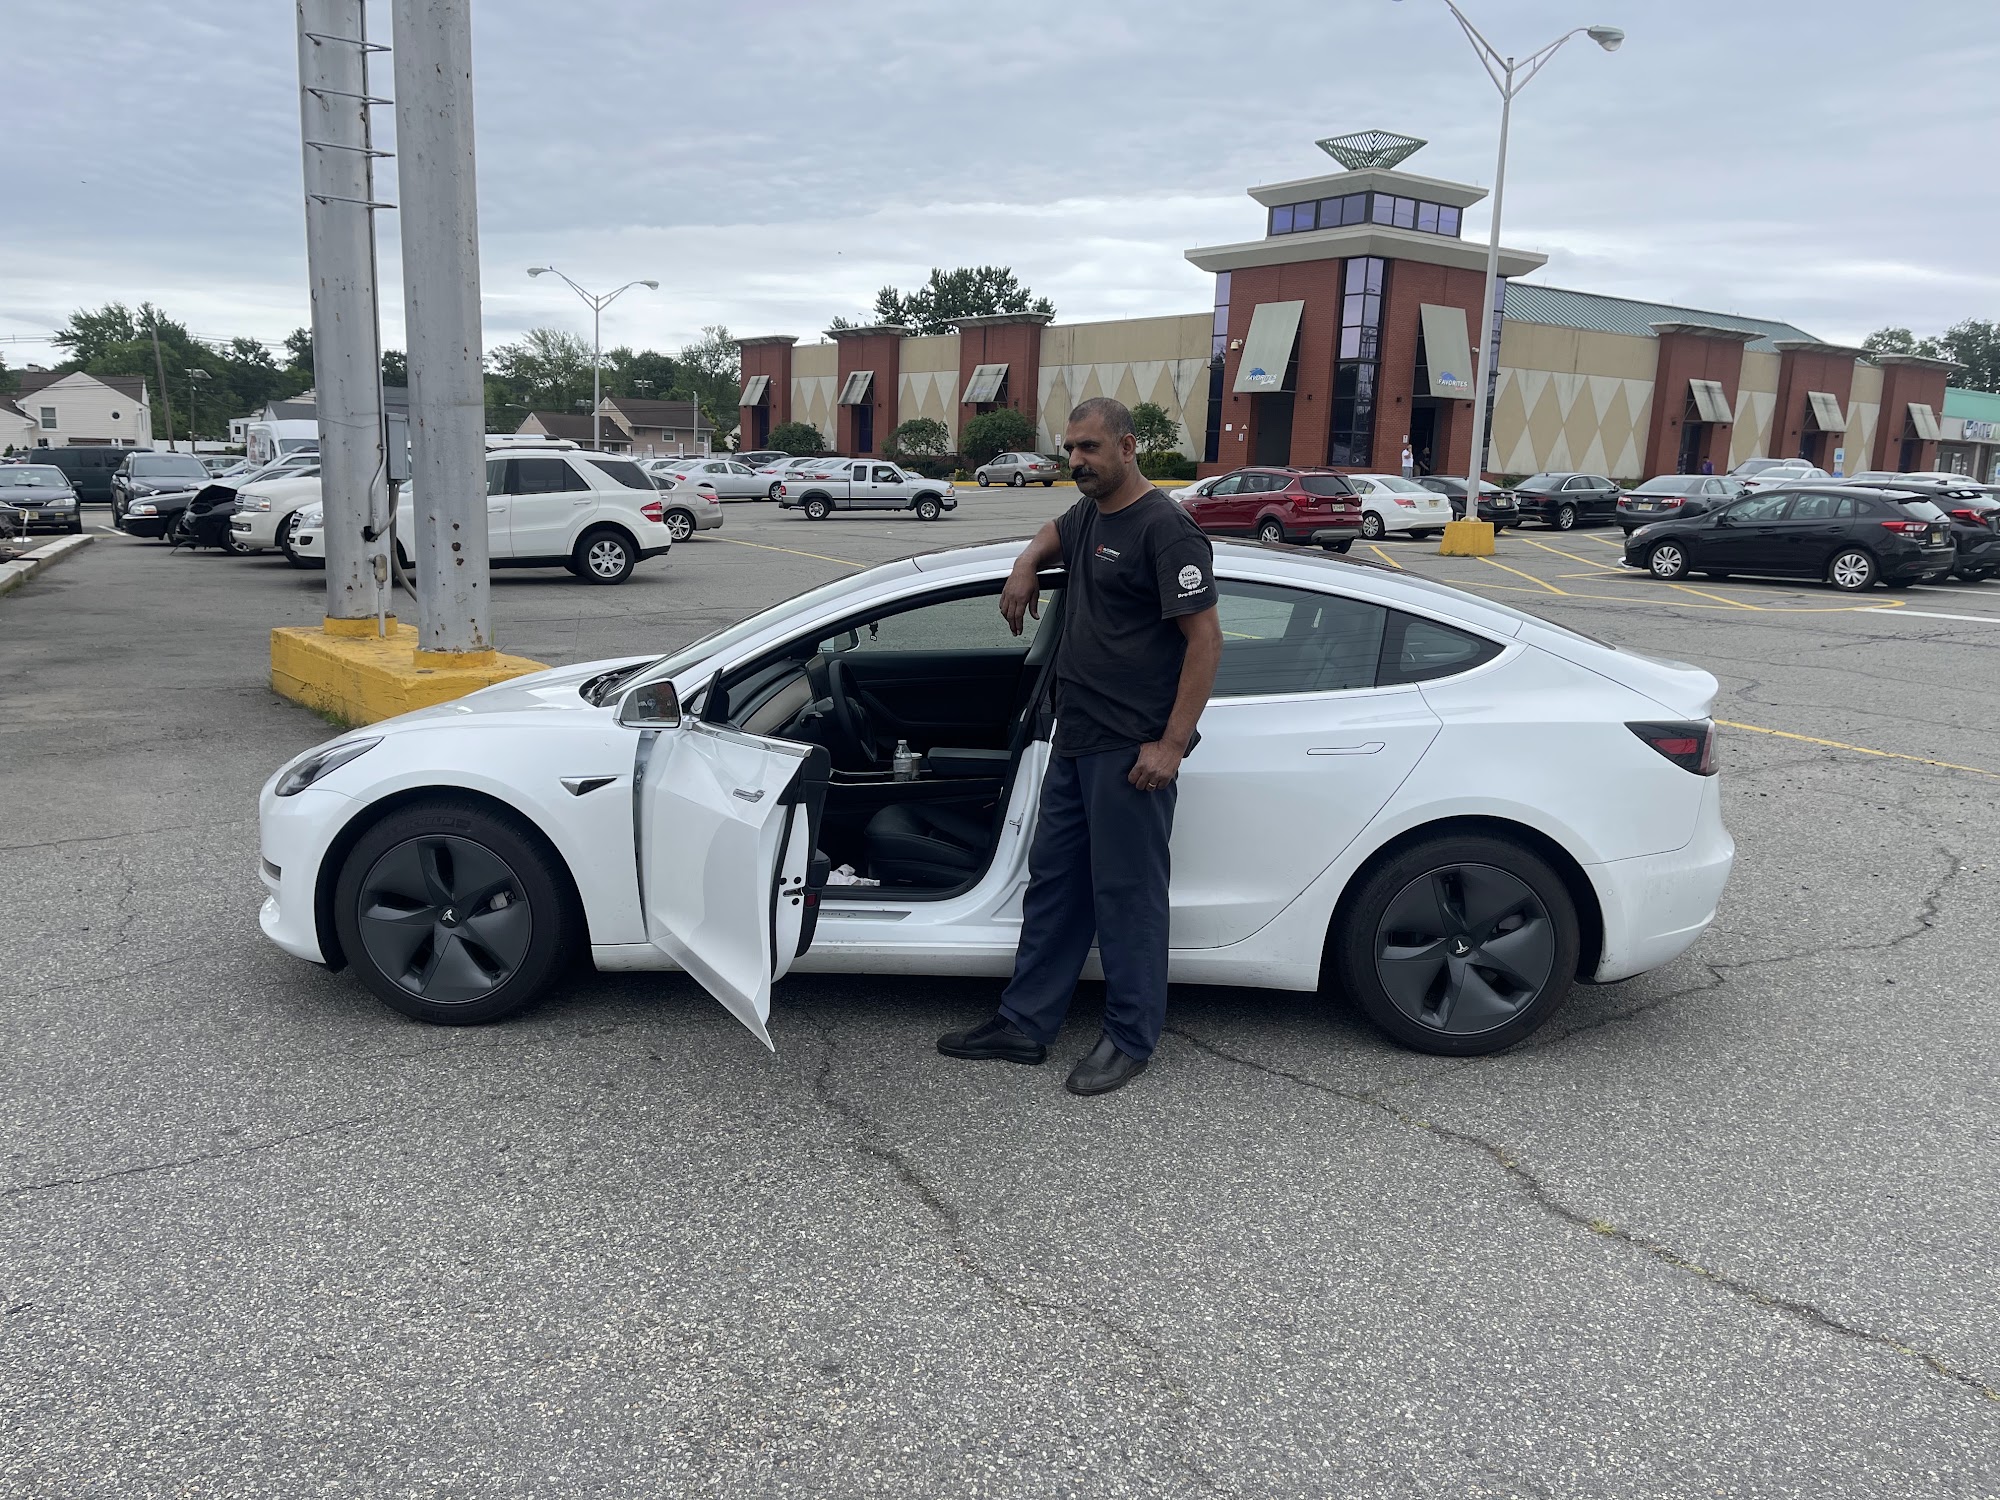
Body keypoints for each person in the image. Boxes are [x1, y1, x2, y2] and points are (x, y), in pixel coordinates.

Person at [937, 397, 1222, 1095]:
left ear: (1128, 446)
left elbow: (1206, 641)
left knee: (1128, 898)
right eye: (1069, 448)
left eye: (1089, 447)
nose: (1075, 461)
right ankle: (1025, 1023)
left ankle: (1130, 1037)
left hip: (1131, 750)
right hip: (1075, 737)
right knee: (1056, 887)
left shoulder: (1166, 530)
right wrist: (1025, 563)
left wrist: (1171, 745)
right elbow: (1054, 531)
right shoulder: (1092, 512)